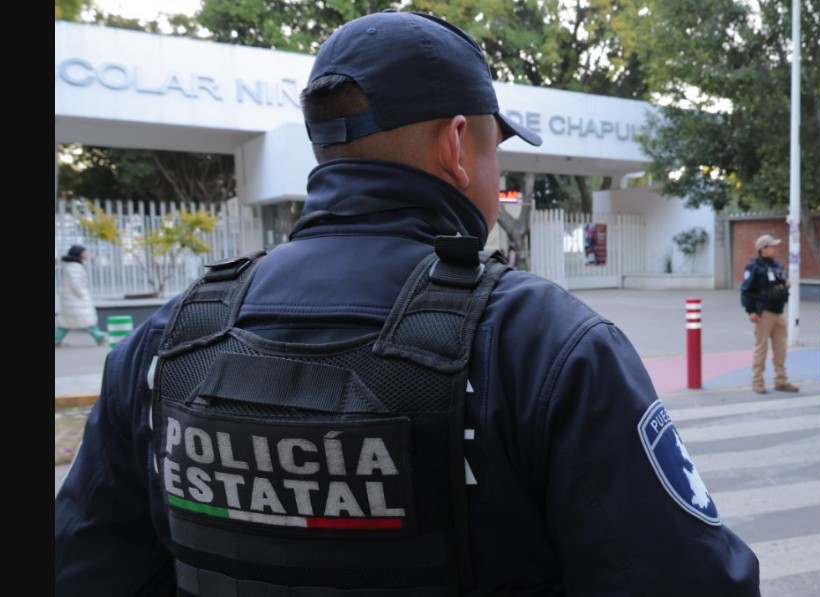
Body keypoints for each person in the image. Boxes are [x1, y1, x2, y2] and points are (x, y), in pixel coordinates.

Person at [54, 10, 760, 597]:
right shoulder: (540, 343)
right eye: (495, 150)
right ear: (458, 145)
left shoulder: (167, 342)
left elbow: (82, 567)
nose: (496, 173)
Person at [740, 234, 799, 395]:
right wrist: (751, 311)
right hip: (763, 313)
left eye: (775, 246)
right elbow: (746, 291)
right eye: (772, 246)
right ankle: (757, 381)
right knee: (761, 349)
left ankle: (781, 380)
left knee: (781, 349)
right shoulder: (754, 267)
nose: (776, 248)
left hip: (778, 312)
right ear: (763, 249)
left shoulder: (777, 265)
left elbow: (782, 284)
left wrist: (786, 285)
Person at [54, 244, 106, 347]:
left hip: (72, 299)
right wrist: (82, 294)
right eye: (84, 252)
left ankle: (56, 340)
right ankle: (100, 337)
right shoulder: (74, 267)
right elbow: (75, 283)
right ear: (78, 254)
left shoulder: (73, 265)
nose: (86, 254)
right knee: (85, 319)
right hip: (75, 299)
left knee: (66, 322)